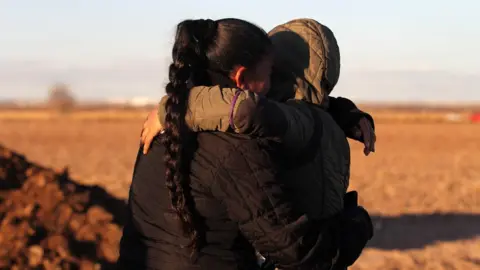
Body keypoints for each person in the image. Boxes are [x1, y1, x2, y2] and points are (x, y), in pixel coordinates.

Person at [119, 18, 373, 270]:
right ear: (241, 77)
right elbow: (294, 249)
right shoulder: (234, 146)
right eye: (270, 72)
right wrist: (356, 225)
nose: (273, 83)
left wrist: (342, 113)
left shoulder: (167, 122)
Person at [141, 19, 376, 158]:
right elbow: (248, 107)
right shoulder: (294, 115)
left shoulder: (293, 116)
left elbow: (249, 109)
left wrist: (173, 109)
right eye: (269, 71)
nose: (270, 80)